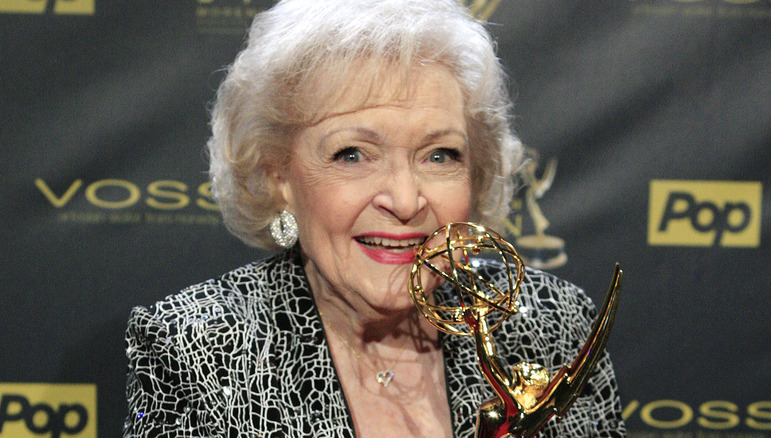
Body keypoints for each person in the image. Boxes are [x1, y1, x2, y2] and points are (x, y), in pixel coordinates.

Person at [124, 0, 626, 437]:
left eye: (439, 155)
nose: (405, 200)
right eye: (352, 155)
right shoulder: (198, 351)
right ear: (278, 174)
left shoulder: (552, 325)